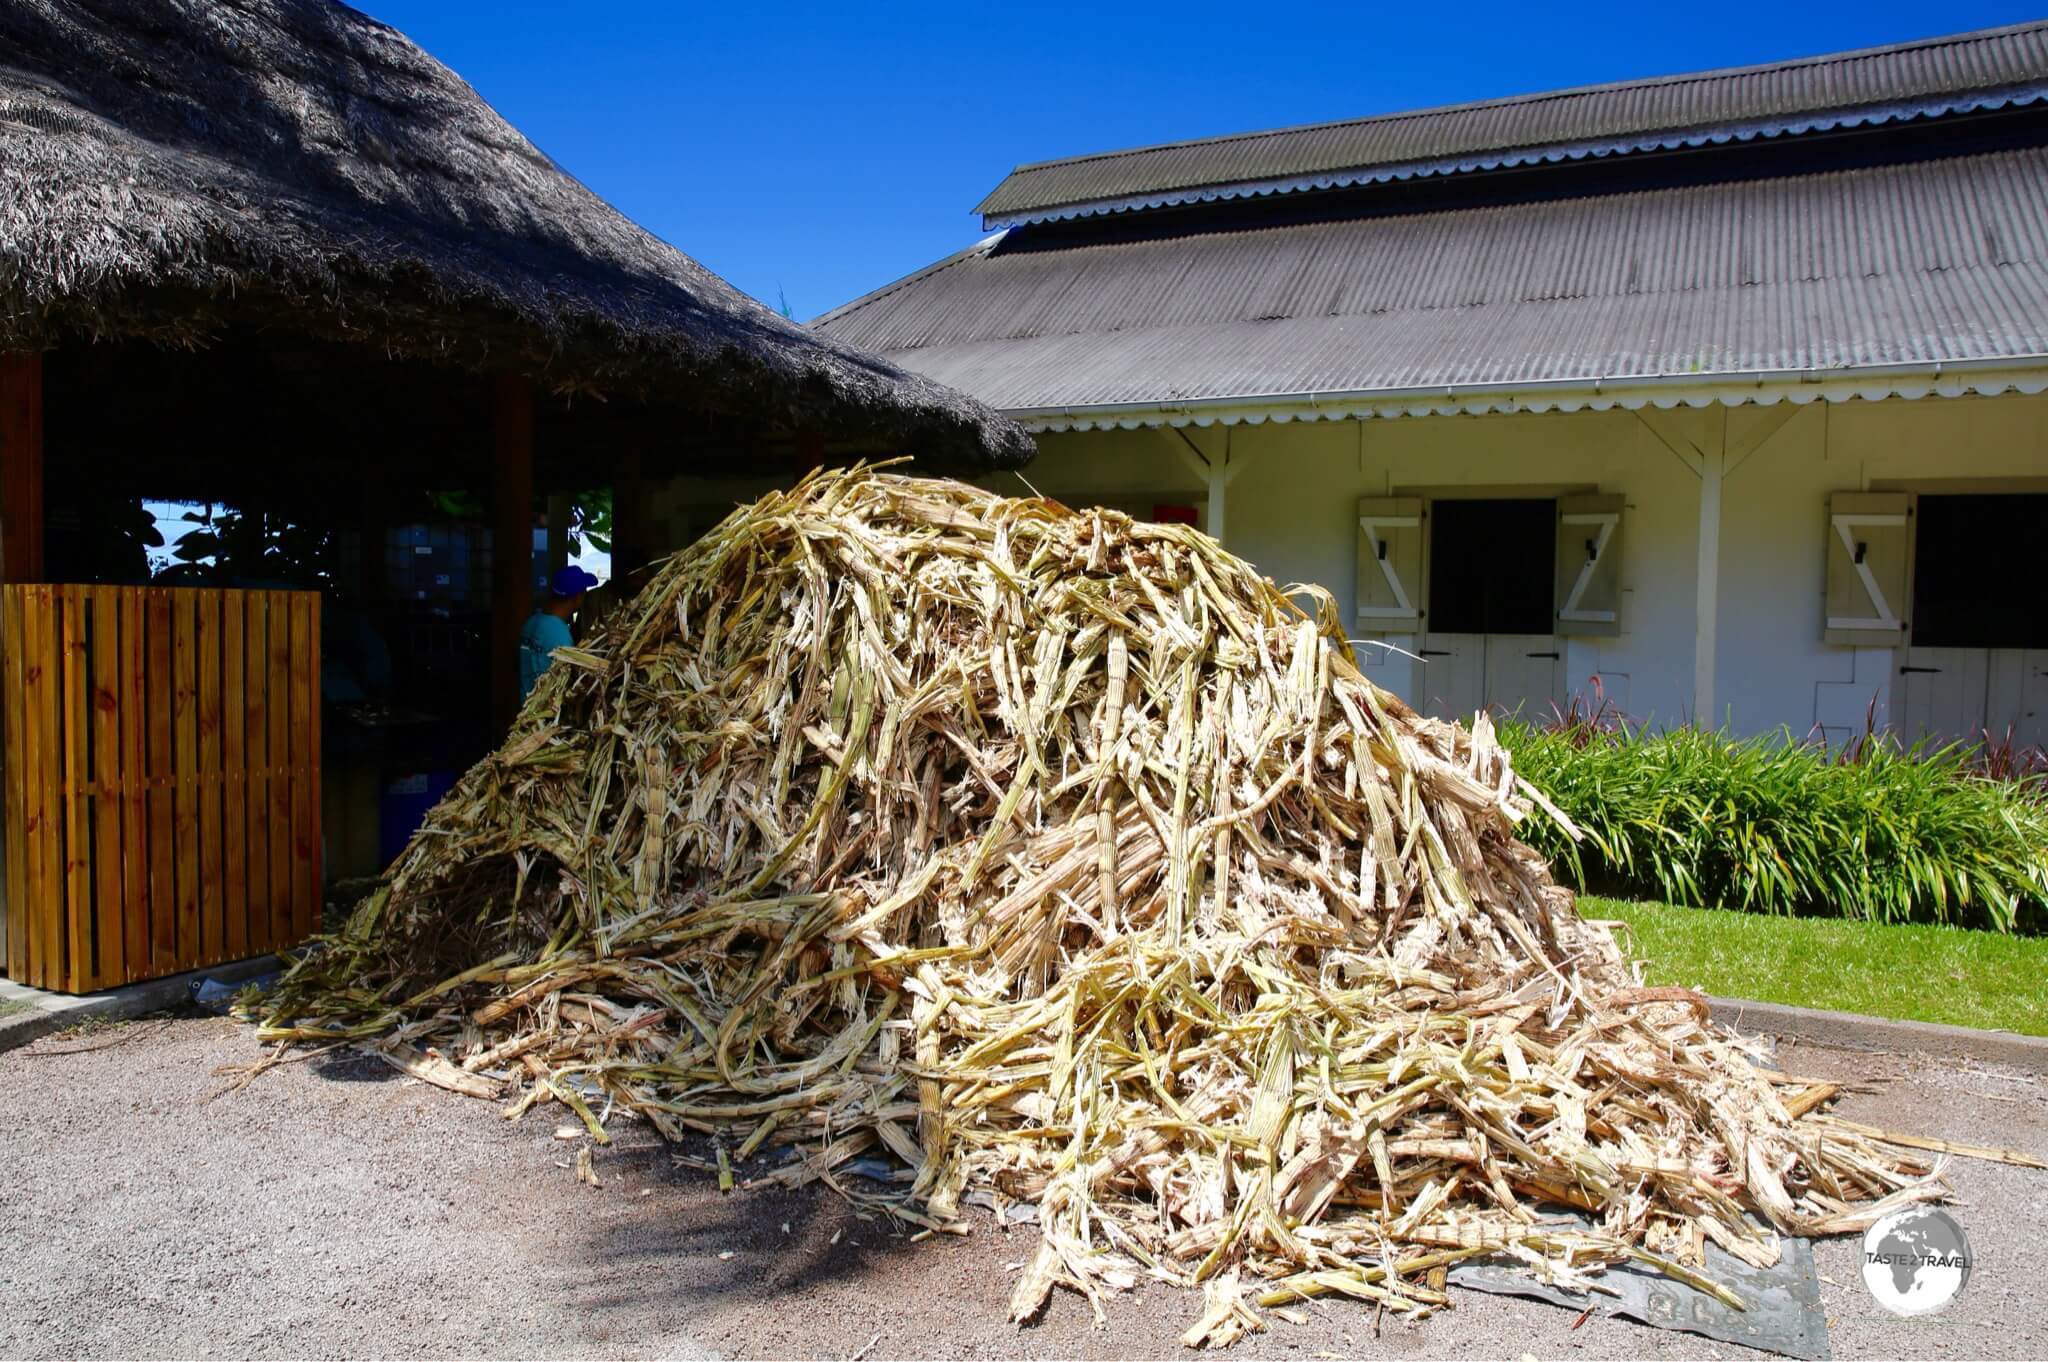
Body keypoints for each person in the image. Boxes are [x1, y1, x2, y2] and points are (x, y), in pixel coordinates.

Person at [520, 565, 600, 702]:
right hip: (544, 709)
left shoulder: (531, 622)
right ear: (576, 597)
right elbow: (567, 684)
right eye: (583, 593)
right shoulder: (561, 636)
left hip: (524, 703)